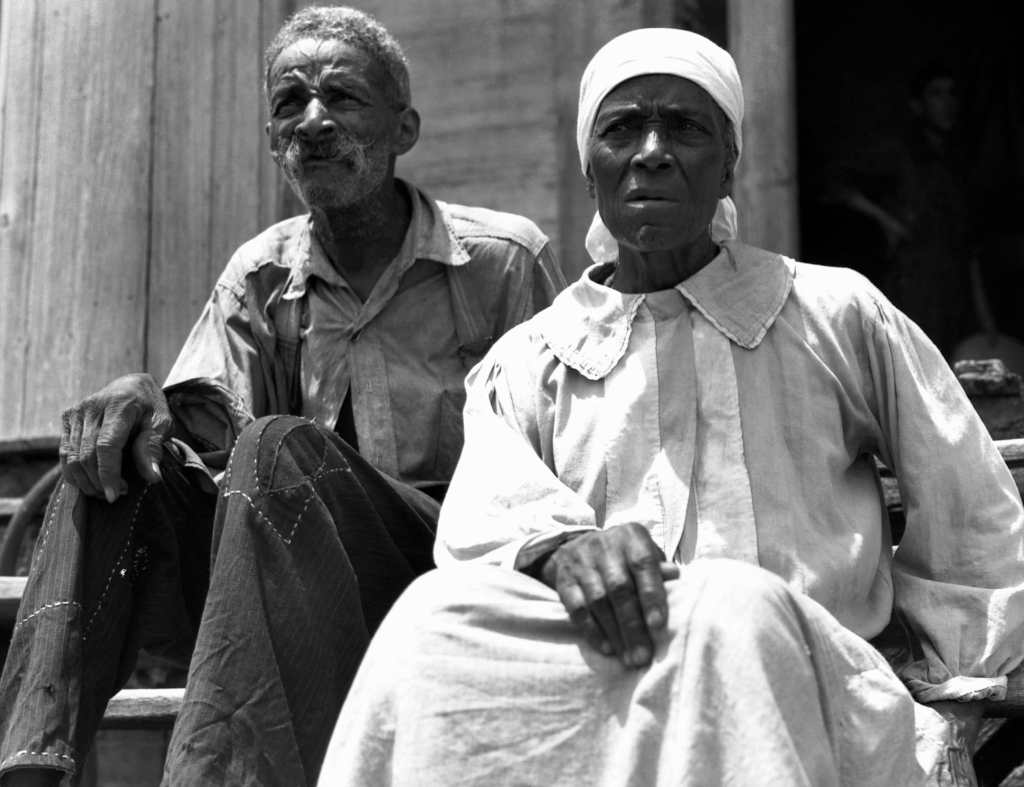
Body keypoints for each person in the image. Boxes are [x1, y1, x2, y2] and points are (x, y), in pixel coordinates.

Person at [317, 28, 1024, 786]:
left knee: (730, 601)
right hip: (602, 667)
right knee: (426, 622)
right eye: (622, 129)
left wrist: (956, 698)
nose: (651, 150)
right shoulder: (529, 358)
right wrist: (557, 547)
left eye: (684, 127)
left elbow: (971, 511)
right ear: (591, 171)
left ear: (730, 165)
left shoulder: (834, 311)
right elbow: (482, 523)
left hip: (807, 672)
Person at [0, 6, 564, 786]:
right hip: (302, 569)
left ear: (405, 130)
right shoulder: (260, 275)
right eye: (289, 104)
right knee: (107, 454)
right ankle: (30, 762)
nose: (314, 121)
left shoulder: (501, 262)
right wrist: (140, 405)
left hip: (450, 559)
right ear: (272, 144)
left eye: (343, 98)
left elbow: (560, 448)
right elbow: (200, 437)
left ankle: (213, 776)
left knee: (276, 443)